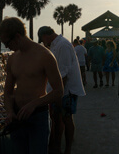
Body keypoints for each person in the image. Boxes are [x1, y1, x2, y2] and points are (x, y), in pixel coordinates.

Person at [0, 17, 64, 154]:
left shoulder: (45, 56)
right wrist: (10, 111)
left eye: (7, 43)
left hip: (37, 116)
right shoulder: (12, 59)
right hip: (17, 116)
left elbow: (59, 91)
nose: (6, 47)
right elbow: (8, 92)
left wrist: (34, 104)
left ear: (17, 36)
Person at [37, 26, 86, 154]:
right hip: (61, 90)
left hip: (67, 90)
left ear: (45, 36)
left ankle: (67, 149)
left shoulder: (62, 45)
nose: (43, 43)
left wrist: (58, 94)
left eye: (42, 40)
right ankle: (56, 146)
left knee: (66, 118)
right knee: (58, 118)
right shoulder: (56, 44)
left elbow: (63, 73)